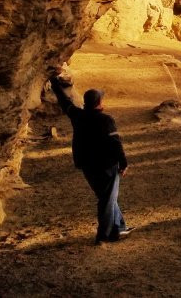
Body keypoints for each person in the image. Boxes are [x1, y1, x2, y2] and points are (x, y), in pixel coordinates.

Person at [48, 72, 131, 245]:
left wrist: (54, 83)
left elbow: (65, 103)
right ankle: (104, 235)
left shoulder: (78, 115)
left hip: (87, 165)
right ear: (99, 104)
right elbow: (115, 143)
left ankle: (119, 227)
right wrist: (123, 163)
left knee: (106, 196)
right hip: (106, 165)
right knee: (107, 199)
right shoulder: (106, 120)